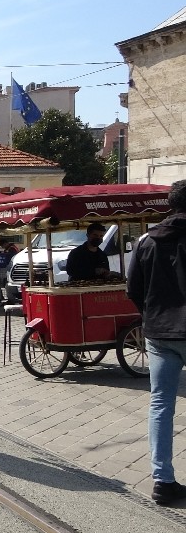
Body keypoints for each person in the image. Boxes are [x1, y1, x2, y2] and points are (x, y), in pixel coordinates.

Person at [127, 180, 186, 505]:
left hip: (160, 333)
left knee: (161, 405)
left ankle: (162, 480)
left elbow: (133, 289)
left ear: (170, 205)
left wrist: (151, 316)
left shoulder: (147, 241)